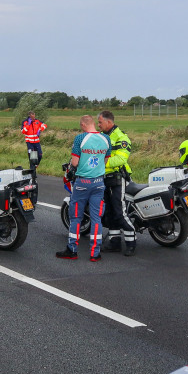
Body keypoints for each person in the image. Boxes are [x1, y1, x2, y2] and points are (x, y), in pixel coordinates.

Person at [58, 115, 111, 261]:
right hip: (99, 182)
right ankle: (95, 253)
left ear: (83, 124)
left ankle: (72, 249)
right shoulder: (106, 139)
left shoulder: (80, 139)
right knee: (96, 218)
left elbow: (74, 163)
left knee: (75, 217)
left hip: (82, 183)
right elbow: (105, 160)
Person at [98, 110, 136, 256]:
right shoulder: (102, 137)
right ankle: (114, 243)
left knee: (120, 212)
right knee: (109, 213)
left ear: (109, 122)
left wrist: (100, 163)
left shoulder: (121, 137)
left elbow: (121, 160)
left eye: (100, 122)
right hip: (105, 178)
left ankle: (131, 243)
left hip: (118, 179)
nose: (98, 125)